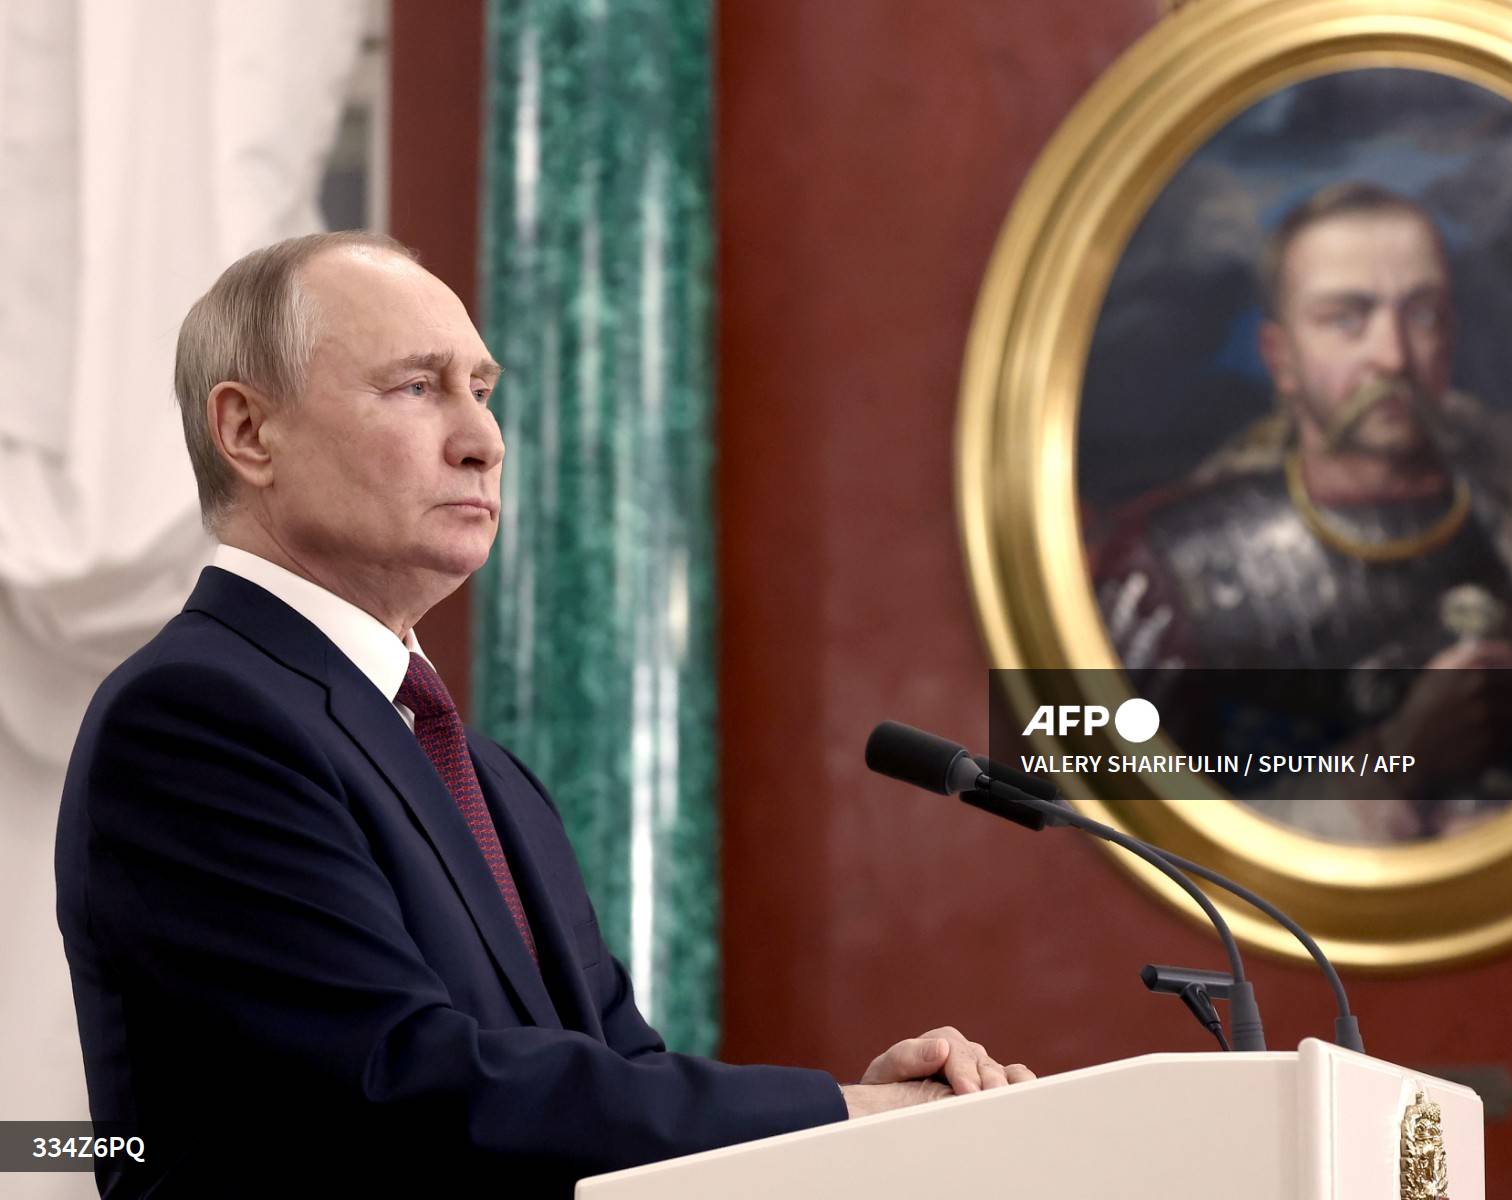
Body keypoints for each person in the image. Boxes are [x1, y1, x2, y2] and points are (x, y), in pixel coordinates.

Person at [55, 231, 1032, 1198]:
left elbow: (625, 1087)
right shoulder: (193, 718)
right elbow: (401, 1089)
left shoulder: (492, 780)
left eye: (481, 389)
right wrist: (842, 1114)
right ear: (248, 433)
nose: (484, 438)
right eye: (416, 386)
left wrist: (864, 1122)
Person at [1091, 183, 1512, 842]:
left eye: (1420, 315)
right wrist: (1394, 760)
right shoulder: (1170, 567)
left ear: (1448, 336)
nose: (1392, 356)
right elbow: (1120, 836)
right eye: (1347, 318)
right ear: (1280, 358)